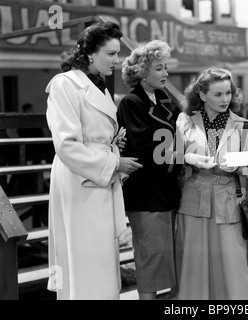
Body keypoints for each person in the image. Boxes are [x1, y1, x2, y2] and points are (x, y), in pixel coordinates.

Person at [45, 21, 142, 300]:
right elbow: (66, 144)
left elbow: (93, 135)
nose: (117, 60)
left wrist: (112, 144)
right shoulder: (65, 85)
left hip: (98, 178)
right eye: (111, 54)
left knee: (100, 258)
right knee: (83, 259)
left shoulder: (98, 86)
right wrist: (113, 163)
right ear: (90, 54)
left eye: (117, 53)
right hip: (79, 182)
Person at [175, 67, 248, 300]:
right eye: (218, 94)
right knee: (194, 267)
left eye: (228, 93)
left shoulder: (246, 126)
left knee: (233, 268)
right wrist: (189, 158)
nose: (225, 99)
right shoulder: (184, 121)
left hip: (228, 201)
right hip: (194, 200)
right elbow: (173, 156)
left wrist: (235, 162)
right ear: (202, 95)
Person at [116, 40, 182, 300]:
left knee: (170, 255)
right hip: (145, 191)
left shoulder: (167, 101)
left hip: (168, 188)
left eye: (165, 67)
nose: (165, 73)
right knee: (150, 256)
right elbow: (142, 146)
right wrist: (179, 156)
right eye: (159, 68)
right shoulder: (131, 103)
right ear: (142, 73)